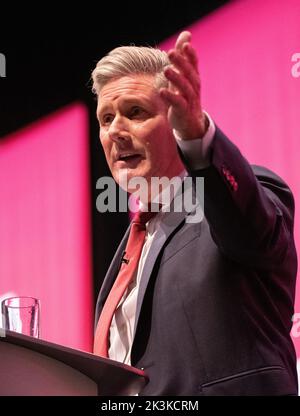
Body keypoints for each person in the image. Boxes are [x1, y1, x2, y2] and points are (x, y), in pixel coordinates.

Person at [91, 31, 298, 395]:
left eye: (134, 112)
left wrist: (198, 137)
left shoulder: (242, 199)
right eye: (105, 119)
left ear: (176, 120)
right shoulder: (129, 249)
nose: (116, 132)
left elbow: (247, 222)